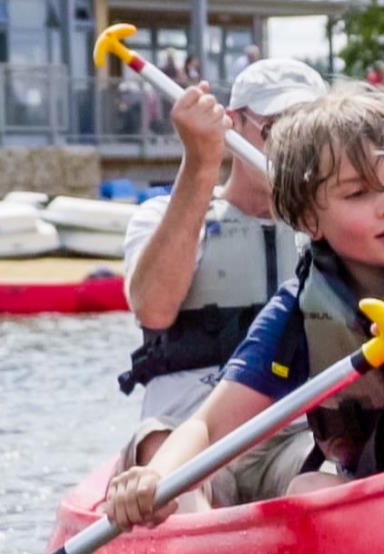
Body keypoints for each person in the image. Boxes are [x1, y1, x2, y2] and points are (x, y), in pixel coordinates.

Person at [103, 85, 384, 529]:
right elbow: (210, 425)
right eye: (358, 194)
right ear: (310, 220)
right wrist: (157, 475)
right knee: (309, 492)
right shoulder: (298, 307)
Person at [117, 59, 328, 509]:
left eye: (307, 135)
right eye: (276, 130)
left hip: (297, 436)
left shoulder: (335, 228)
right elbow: (153, 308)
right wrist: (200, 163)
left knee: (335, 476)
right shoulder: (160, 216)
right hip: (187, 436)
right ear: (232, 127)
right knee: (172, 475)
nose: (292, 149)